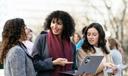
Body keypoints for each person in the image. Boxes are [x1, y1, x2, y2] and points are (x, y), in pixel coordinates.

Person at [32, 10, 76, 76]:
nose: (54, 26)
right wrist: (53, 63)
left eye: (59, 23)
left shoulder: (72, 46)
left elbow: (74, 67)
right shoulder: (42, 39)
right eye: (53, 22)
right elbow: (34, 63)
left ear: (65, 26)